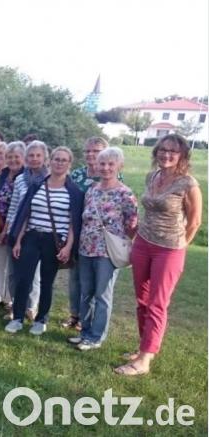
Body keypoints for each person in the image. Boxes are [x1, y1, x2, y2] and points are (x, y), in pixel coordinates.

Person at [116, 134, 202, 376]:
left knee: (157, 304)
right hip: (143, 244)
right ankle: (144, 346)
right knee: (142, 300)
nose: (167, 154)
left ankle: (144, 360)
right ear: (156, 152)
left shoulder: (188, 184)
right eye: (163, 150)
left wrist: (179, 246)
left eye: (173, 152)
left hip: (169, 249)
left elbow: (195, 222)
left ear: (182, 156)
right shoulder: (152, 176)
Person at [6, 147, 84, 336]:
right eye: (56, 159)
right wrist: (18, 241)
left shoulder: (73, 191)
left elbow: (73, 222)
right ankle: (17, 317)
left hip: (54, 241)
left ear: (69, 164)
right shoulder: (37, 185)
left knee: (47, 282)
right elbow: (26, 214)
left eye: (64, 160)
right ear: (50, 161)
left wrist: (68, 246)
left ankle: (41, 319)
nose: (59, 163)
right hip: (31, 236)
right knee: (23, 279)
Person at [67, 147, 137, 351]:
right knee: (85, 293)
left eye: (110, 164)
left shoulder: (125, 194)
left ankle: (96, 336)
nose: (106, 168)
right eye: (102, 164)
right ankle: (85, 332)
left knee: (102, 295)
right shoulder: (92, 190)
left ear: (119, 166)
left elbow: (132, 224)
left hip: (107, 252)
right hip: (86, 249)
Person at [62, 136, 114, 330]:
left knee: (94, 282)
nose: (91, 155)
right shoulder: (76, 175)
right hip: (76, 233)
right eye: (88, 151)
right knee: (75, 279)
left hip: (100, 240)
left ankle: (88, 318)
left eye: (96, 151)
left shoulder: (110, 176)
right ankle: (74, 315)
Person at [4, 140, 50, 321]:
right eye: (31, 155)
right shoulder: (20, 179)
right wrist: (7, 231)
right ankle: (16, 306)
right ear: (26, 158)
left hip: (38, 232)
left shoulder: (50, 179)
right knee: (15, 273)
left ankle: (31, 307)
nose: (35, 159)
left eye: (38, 155)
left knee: (35, 275)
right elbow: (14, 208)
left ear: (44, 157)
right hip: (17, 231)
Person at [0, 141, 26, 309]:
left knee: (13, 266)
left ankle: (9, 299)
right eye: (9, 157)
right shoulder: (2, 175)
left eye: (16, 157)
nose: (13, 160)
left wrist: (8, 230)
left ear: (23, 158)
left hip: (18, 229)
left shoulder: (26, 177)